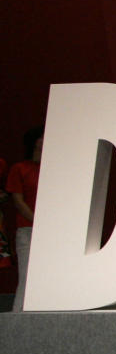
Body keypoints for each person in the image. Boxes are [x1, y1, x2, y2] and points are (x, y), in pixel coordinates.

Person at [6, 126, 42, 312]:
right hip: (28, 230)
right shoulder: (20, 168)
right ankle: (16, 319)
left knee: (47, 278)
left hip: (50, 232)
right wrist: (39, 221)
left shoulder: (53, 169)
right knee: (27, 278)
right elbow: (18, 201)